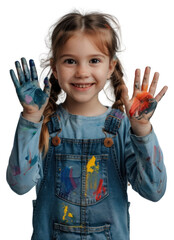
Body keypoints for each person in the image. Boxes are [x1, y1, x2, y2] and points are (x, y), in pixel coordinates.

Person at [7, 11, 168, 240]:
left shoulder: (122, 126)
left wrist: (142, 130)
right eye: (70, 61)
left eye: (94, 60)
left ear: (110, 67)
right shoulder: (44, 124)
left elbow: (154, 191)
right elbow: (19, 185)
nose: (82, 72)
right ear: (54, 68)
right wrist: (30, 118)